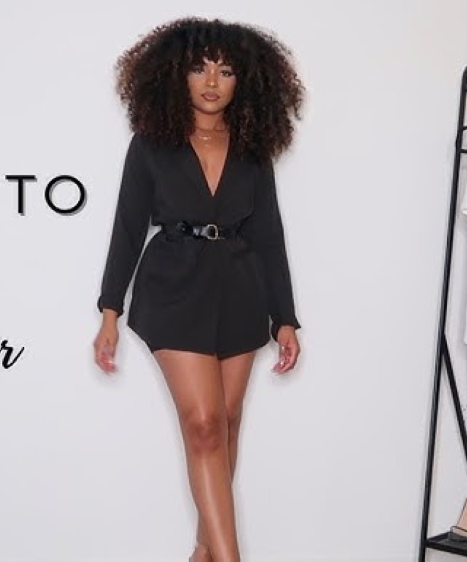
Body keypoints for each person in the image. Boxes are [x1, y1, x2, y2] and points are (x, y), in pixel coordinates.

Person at [92, 16, 305, 562]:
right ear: (176, 73)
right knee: (205, 425)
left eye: (226, 70)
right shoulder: (151, 143)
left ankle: (203, 554)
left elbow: (269, 234)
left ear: (245, 80)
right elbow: (128, 225)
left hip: (240, 291)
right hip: (172, 289)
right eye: (200, 68)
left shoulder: (254, 148)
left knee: (226, 425)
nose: (212, 81)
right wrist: (110, 309)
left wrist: (284, 317)